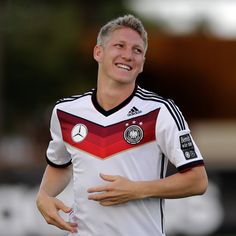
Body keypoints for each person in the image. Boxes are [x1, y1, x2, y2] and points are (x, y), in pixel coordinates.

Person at [36, 14, 208, 236]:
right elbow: (60, 165)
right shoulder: (66, 112)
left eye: (137, 50)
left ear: (142, 64)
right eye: (120, 46)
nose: (128, 55)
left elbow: (197, 180)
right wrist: (44, 196)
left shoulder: (160, 111)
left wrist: (137, 190)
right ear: (99, 52)